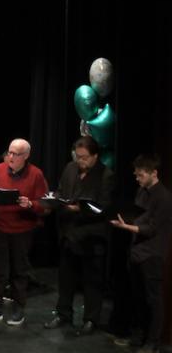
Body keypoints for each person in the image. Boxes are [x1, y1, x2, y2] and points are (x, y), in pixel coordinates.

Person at [45, 136, 115, 335]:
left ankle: (91, 319)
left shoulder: (105, 175)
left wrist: (78, 208)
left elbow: (104, 206)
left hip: (91, 237)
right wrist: (55, 199)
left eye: (85, 158)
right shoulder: (70, 168)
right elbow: (61, 191)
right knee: (65, 278)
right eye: (78, 157)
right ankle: (63, 313)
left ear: (95, 156)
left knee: (92, 281)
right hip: (69, 233)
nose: (81, 161)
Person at [0, 138, 49, 326]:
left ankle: (19, 308)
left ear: (26, 156)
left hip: (22, 230)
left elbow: (45, 205)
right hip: (1, 226)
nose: (10, 157)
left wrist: (31, 204)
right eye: (9, 152)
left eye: (16, 154)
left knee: (20, 271)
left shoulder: (36, 175)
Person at [110, 154, 172, 353]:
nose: (138, 179)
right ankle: (141, 335)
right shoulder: (142, 191)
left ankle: (152, 342)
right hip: (137, 252)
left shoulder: (163, 197)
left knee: (153, 299)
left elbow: (152, 228)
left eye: (141, 175)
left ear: (154, 173)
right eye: (136, 175)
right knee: (138, 297)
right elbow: (138, 215)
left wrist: (127, 226)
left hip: (152, 254)